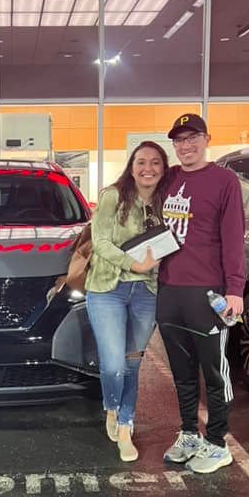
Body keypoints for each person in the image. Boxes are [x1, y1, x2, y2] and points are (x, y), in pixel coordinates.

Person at [157, 113, 245, 475]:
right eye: (179, 140)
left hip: (208, 293)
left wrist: (235, 289)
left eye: (193, 137)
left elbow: (233, 238)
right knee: (182, 371)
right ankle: (190, 434)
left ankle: (218, 443)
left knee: (214, 371)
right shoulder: (168, 179)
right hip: (169, 290)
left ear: (207, 139)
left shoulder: (224, 181)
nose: (186, 146)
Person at [85, 141, 169, 463]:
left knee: (133, 363)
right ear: (131, 167)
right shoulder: (113, 196)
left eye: (155, 162)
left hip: (146, 293)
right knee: (113, 364)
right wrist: (134, 264)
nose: (148, 168)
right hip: (108, 289)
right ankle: (111, 405)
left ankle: (125, 425)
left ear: (164, 168)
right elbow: (100, 242)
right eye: (141, 162)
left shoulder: (166, 203)